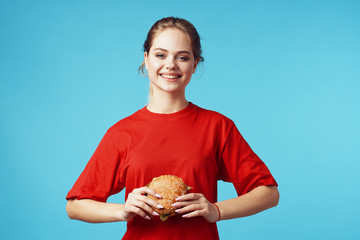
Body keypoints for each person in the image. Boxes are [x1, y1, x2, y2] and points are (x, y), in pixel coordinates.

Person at [66, 17, 279, 240]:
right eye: (160, 55)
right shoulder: (122, 132)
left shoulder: (217, 126)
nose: (171, 65)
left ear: (195, 64)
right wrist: (122, 210)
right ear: (146, 60)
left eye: (183, 57)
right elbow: (75, 206)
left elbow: (268, 194)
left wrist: (216, 211)